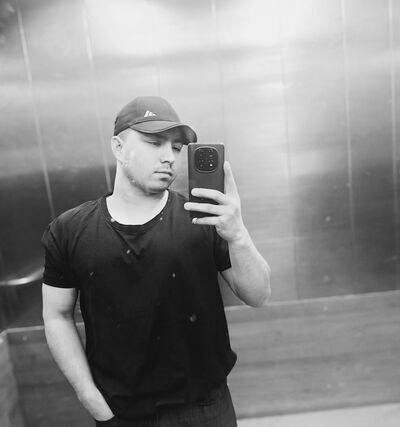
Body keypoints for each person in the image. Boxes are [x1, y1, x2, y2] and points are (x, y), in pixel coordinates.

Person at [41, 96, 271, 427]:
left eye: (176, 147)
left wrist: (238, 235)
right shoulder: (70, 230)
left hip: (206, 408)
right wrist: (89, 397)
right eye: (154, 142)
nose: (169, 157)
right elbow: (57, 315)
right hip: (120, 413)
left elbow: (258, 295)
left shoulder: (203, 219)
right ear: (118, 148)